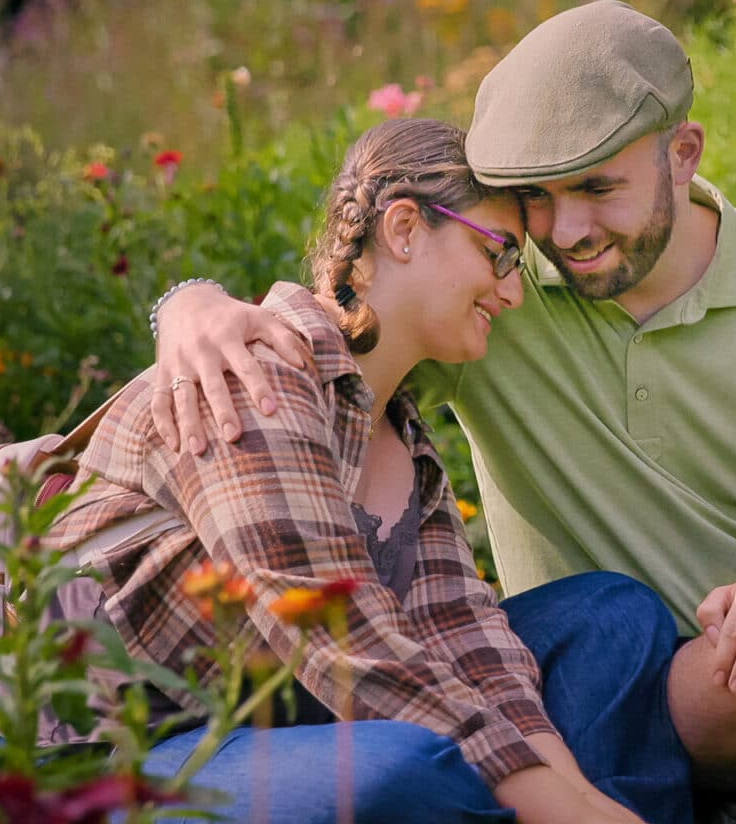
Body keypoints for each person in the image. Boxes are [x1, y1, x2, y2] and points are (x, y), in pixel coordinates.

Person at [147, 0, 736, 824]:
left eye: (598, 188)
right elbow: (343, 317)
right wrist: (188, 303)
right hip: (670, 674)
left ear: (682, 153)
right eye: (537, 197)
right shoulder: (499, 290)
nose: (566, 232)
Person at [44, 117, 692, 824]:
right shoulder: (255, 378)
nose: (511, 294)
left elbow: (466, 639)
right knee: (398, 770)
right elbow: (345, 643)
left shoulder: (404, 437)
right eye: (498, 254)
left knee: (612, 617)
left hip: (295, 709)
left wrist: (583, 804)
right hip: (151, 744)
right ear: (406, 228)